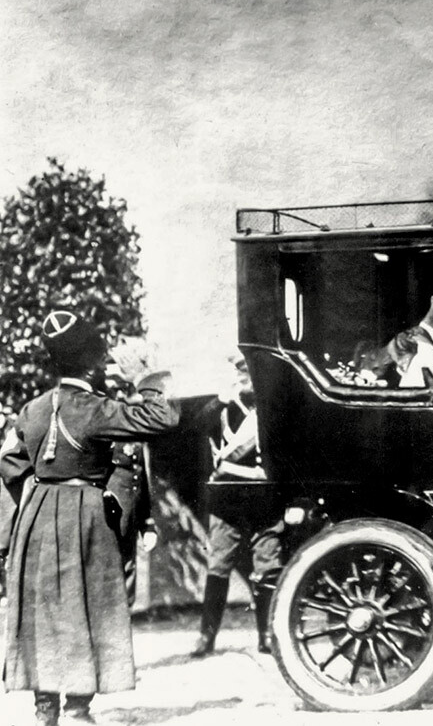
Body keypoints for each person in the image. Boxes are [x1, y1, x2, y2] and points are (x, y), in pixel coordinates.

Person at [1, 310, 179, 726]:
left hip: (39, 516)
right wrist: (147, 377)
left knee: (43, 611)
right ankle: (78, 711)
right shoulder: (98, 409)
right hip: (86, 516)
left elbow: (9, 459)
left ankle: (45, 711)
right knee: (88, 607)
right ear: (94, 362)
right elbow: (163, 418)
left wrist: (40, 489)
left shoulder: (32, 410)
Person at [192, 353, 285, 657]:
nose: (246, 378)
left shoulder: (273, 407)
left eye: (250, 373)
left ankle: (267, 635)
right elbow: (198, 425)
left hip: (265, 499)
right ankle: (207, 637)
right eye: (241, 373)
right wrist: (222, 400)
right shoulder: (223, 407)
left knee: (268, 567)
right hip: (227, 499)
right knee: (219, 566)